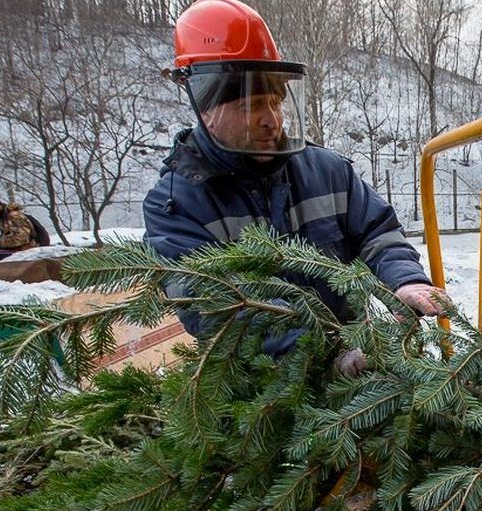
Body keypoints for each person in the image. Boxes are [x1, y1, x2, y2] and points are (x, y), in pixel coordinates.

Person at [142, 0, 447, 373]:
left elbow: (378, 233)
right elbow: (216, 308)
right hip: (260, 385)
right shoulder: (175, 206)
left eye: (275, 103)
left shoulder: (328, 171)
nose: (271, 120)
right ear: (205, 109)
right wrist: (324, 352)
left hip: (358, 363)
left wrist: (404, 280)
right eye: (252, 106)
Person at [0, 192, 44, 264]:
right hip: (18, 248)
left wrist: (1, 243)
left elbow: (22, 238)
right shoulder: (3, 217)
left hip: (26, 249)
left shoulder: (13, 216)